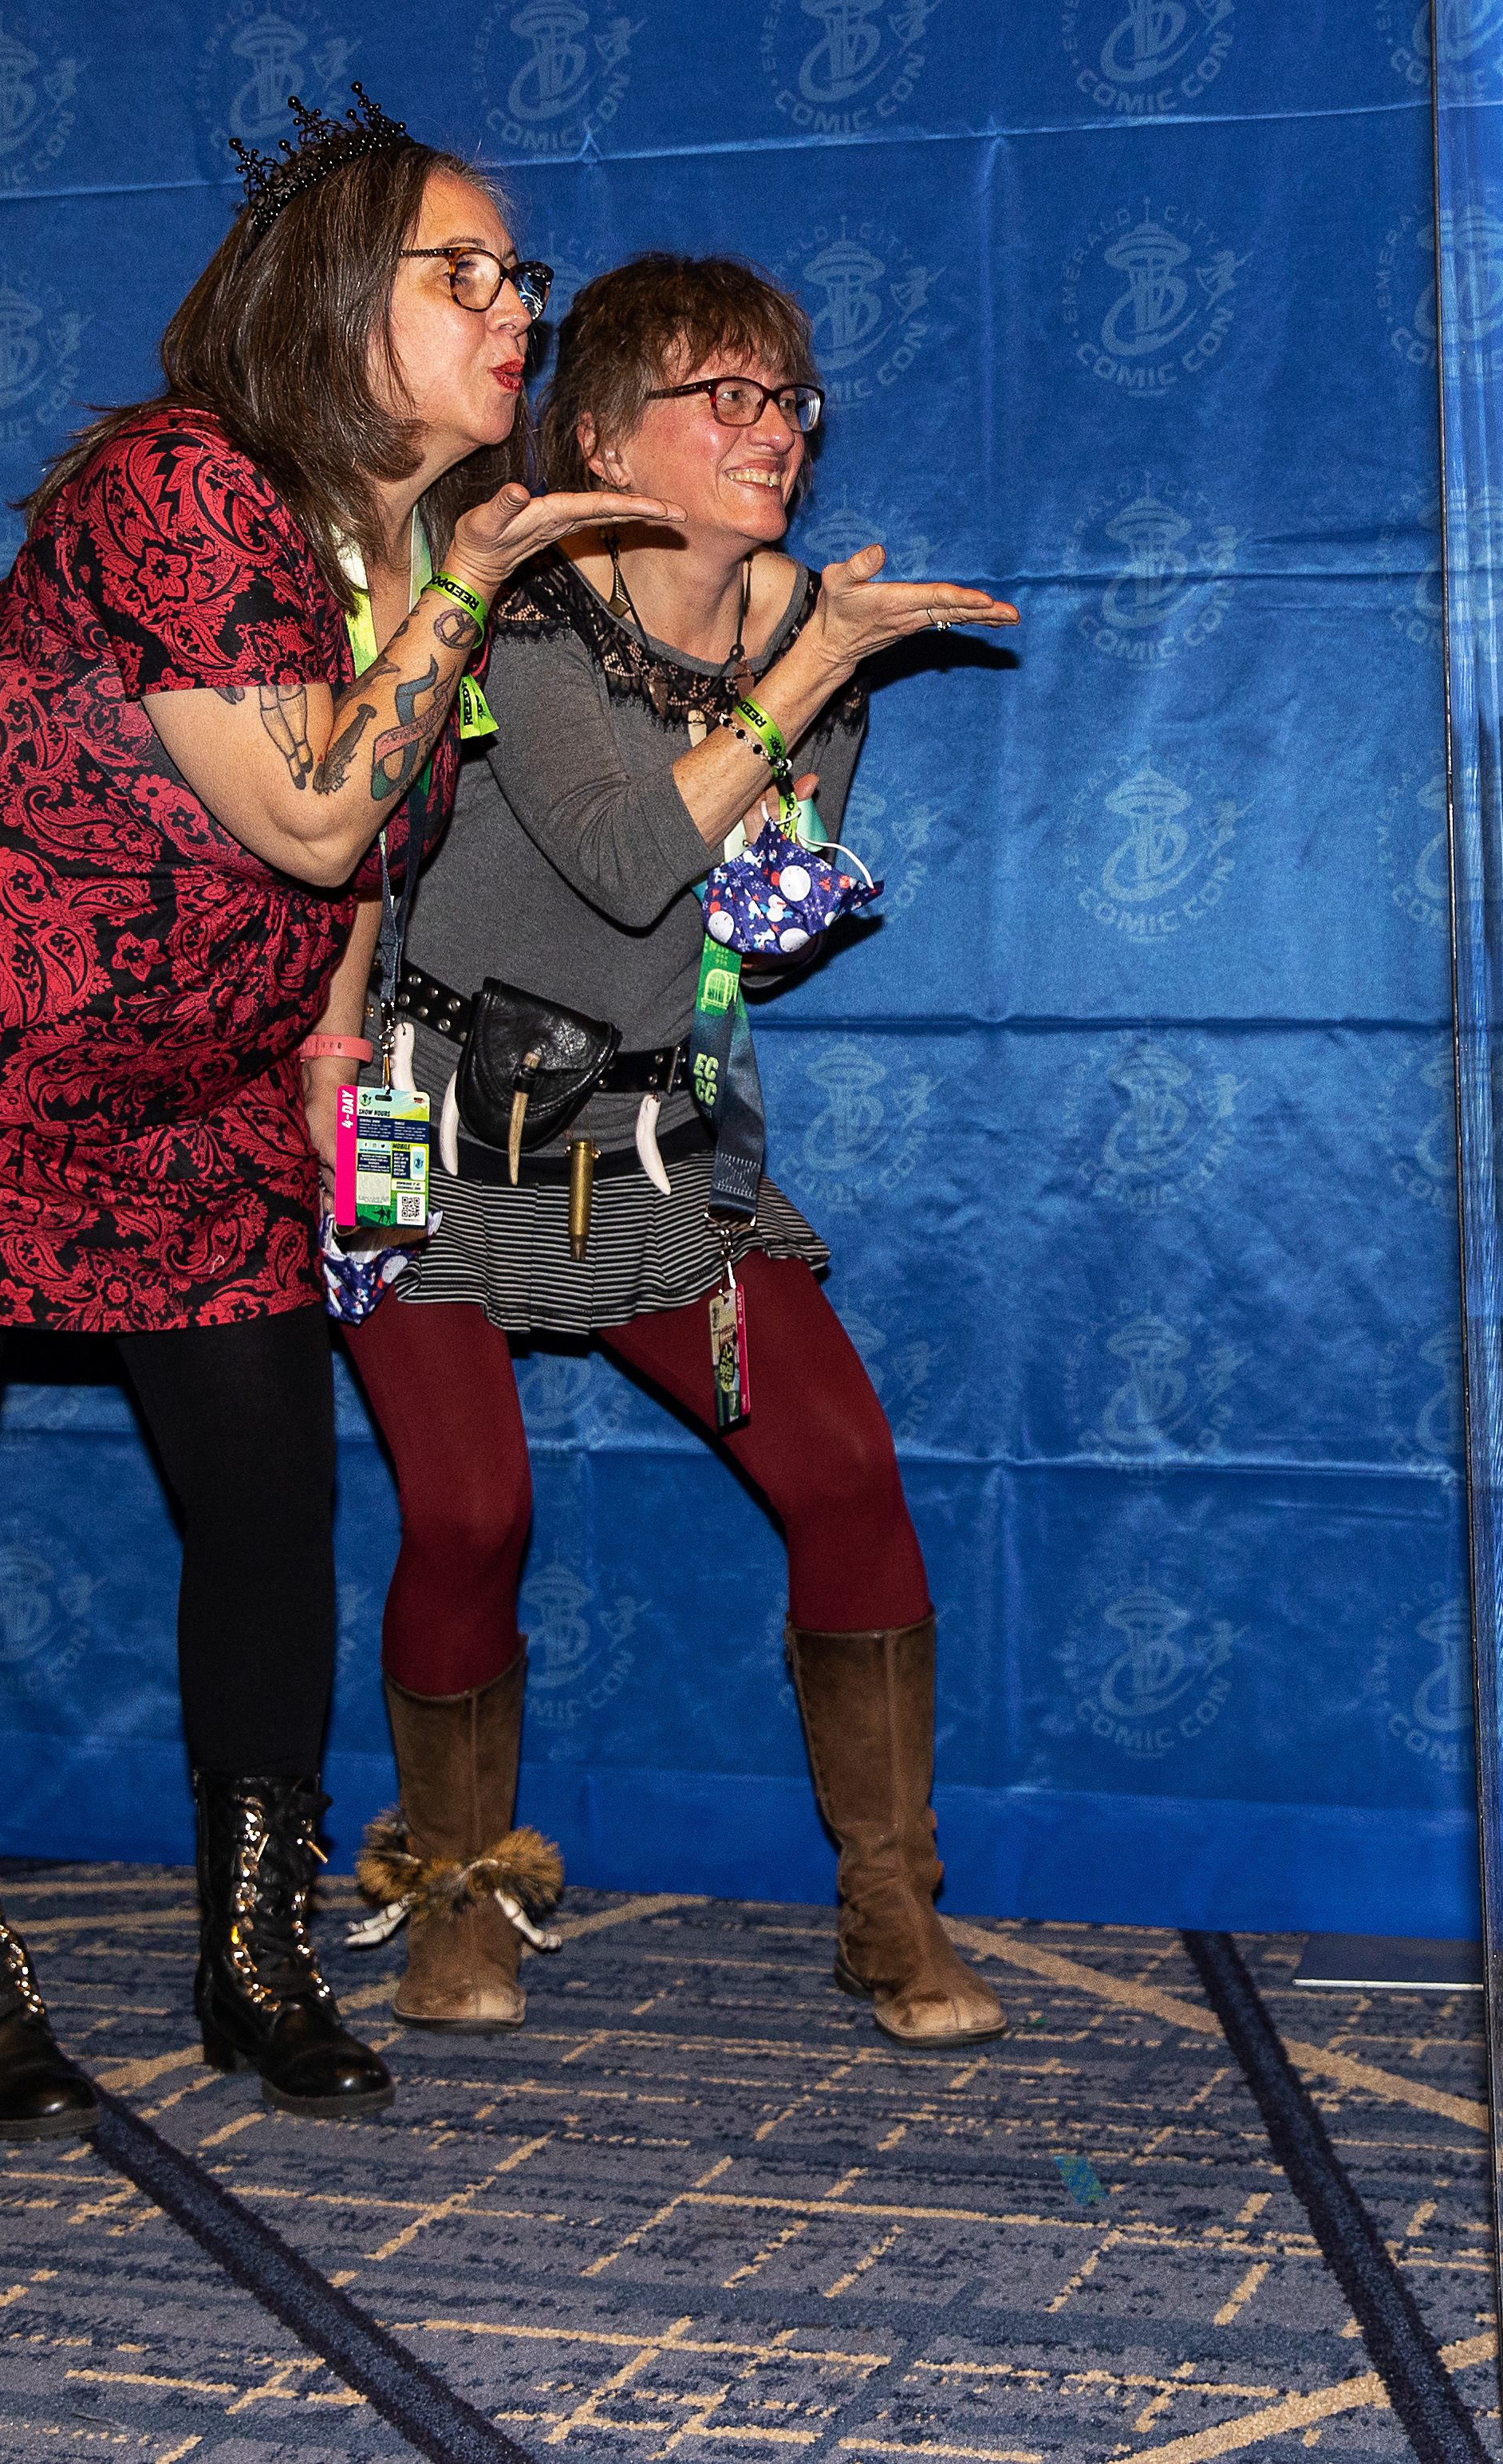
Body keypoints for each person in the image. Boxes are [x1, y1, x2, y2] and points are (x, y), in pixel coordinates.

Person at [0, 91, 668, 2139]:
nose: (513, 314)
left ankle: (257, 1957)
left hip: (182, 1079)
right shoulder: (179, 488)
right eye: (460, 272)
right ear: (326, 304)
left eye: (519, 277)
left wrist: (325, 1036)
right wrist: (463, 582)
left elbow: (366, 864)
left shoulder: (402, 556)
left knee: (269, 1494)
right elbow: (305, 803)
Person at [332, 252, 1020, 2048]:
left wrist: (808, 685)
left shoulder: (811, 629)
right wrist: (805, 680)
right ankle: (457, 1899)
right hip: (421, 1127)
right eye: (722, 395)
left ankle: (890, 1911)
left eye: (788, 397)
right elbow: (630, 854)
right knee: (469, 1506)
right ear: (600, 437)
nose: (772, 429)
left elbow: (763, 916)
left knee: (850, 1477)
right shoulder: (525, 615)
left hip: (649, 1140)